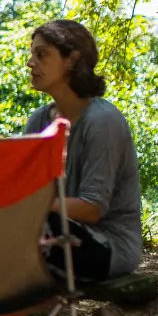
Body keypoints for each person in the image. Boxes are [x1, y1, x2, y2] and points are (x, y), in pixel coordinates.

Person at [23, 19, 143, 284]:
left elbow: (92, 208)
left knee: (25, 229)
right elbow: (23, 184)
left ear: (71, 60)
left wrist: (27, 207)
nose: (30, 62)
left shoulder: (102, 121)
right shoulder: (39, 121)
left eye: (41, 54)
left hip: (108, 246)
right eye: (32, 54)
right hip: (53, 232)